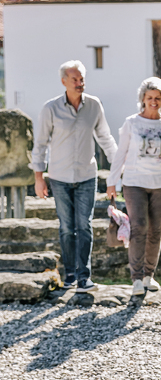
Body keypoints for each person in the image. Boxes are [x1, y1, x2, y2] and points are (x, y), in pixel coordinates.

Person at [32, 60, 117, 291]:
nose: (80, 83)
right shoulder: (50, 108)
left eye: (82, 79)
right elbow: (39, 144)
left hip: (87, 176)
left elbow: (105, 138)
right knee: (67, 228)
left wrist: (118, 169)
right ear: (64, 82)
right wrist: (39, 178)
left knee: (85, 226)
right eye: (75, 80)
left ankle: (84, 277)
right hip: (59, 177)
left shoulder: (94, 105)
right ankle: (69, 274)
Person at [106, 77, 161, 295]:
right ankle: (136, 279)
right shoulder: (132, 122)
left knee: (156, 230)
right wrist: (112, 181)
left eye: (158, 98)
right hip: (134, 183)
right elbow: (120, 153)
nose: (154, 101)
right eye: (150, 97)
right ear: (143, 99)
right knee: (138, 227)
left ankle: (149, 275)